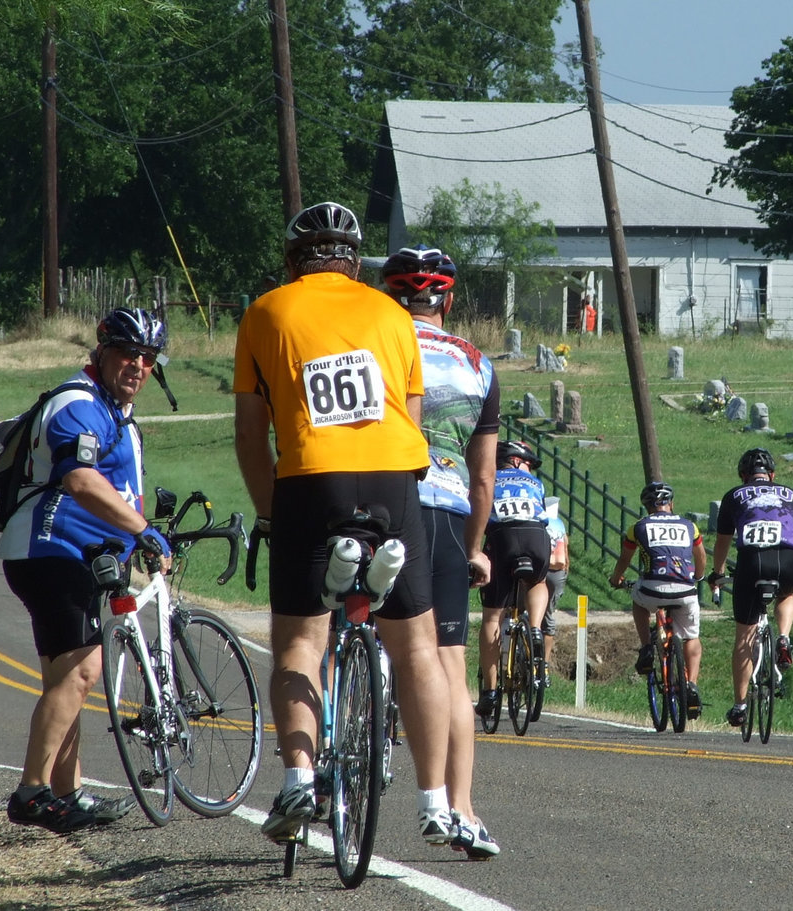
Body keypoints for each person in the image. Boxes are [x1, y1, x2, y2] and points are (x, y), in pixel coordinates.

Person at [233, 203, 454, 847]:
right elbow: (411, 416)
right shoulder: (392, 313)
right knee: (415, 648)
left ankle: (299, 781)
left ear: (292, 260)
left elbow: (251, 433)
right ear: (355, 261)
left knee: (301, 641)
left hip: (311, 478)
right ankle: (434, 801)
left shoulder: (266, 311)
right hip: (393, 477)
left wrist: (271, 512)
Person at [0, 308, 174, 833]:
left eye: (148, 358)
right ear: (102, 350)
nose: (138, 365)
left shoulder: (112, 407)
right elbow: (79, 480)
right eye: (127, 353)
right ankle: (31, 791)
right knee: (80, 672)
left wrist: (135, 529)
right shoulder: (78, 403)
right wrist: (141, 528)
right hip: (52, 551)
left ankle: (67, 793)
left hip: (64, 555)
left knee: (66, 678)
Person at [382, 244, 501, 859]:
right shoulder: (477, 363)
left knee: (331, 627)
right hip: (447, 515)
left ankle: (316, 774)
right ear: (445, 300)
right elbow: (485, 480)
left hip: (378, 499)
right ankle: (463, 810)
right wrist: (476, 549)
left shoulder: (373, 343)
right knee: (448, 664)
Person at [708, 448, 793, 728]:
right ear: (772, 476)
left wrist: (718, 573)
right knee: (787, 594)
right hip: (788, 560)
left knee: (744, 636)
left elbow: (722, 542)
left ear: (743, 476)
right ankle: (783, 637)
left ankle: (739, 706)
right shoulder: (791, 494)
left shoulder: (734, 496)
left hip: (752, 563)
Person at [609, 481, 706, 717]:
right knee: (691, 637)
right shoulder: (690, 526)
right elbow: (700, 556)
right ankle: (691, 684)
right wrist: (699, 576)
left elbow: (625, 558)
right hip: (685, 590)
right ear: (671, 504)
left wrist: (616, 578)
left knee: (638, 602)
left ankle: (645, 648)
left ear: (646, 506)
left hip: (652, 588)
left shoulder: (637, 527)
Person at [476, 440, 551, 717]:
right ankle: (534, 627)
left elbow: (479, 519)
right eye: (527, 462)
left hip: (503, 538)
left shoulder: (488, 479)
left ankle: (491, 692)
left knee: (492, 618)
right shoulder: (535, 483)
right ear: (518, 462)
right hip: (536, 536)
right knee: (538, 582)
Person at [541, 495, 569, 684]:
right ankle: (545, 665)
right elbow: (566, 556)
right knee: (549, 615)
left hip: (539, 569)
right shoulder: (559, 524)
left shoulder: (537, 521)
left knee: (518, 607)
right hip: (557, 572)